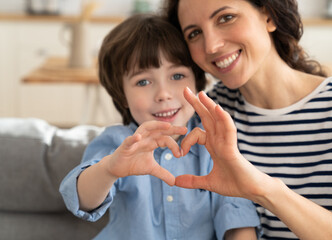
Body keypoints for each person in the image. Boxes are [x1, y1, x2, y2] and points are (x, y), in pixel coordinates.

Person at [163, 0, 332, 239]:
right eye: (194, 33)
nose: (212, 45)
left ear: (269, 16)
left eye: (226, 18)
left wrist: (265, 191)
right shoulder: (206, 115)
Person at [59, 14, 260, 240]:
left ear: (197, 81)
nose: (163, 94)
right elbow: (80, 200)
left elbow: (236, 215)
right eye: (143, 81)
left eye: (177, 75)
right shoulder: (118, 142)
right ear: (121, 94)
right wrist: (109, 169)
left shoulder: (214, 142)